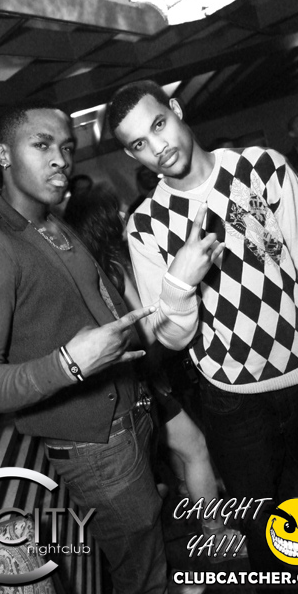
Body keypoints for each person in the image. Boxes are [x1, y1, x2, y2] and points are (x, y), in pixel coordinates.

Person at [107, 80, 298, 581]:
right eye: (139, 144)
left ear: (176, 109)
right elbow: (171, 338)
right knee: (265, 534)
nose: (157, 147)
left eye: (159, 125)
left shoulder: (262, 168)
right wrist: (178, 285)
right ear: (131, 154)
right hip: (232, 401)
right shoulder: (146, 225)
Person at [0, 100, 168, 594]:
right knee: (144, 579)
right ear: (4, 155)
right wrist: (69, 363)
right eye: (42, 145)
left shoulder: (53, 225)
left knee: (148, 555)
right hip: (97, 447)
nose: (60, 160)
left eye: (66, 147)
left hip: (133, 416)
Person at [64, 182, 247, 555]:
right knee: (196, 448)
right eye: (115, 211)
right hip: (137, 382)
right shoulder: (113, 267)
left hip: (117, 387)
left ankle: (190, 493)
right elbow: (146, 330)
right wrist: (180, 294)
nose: (124, 215)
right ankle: (215, 536)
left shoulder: (84, 270)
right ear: (101, 222)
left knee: (177, 452)